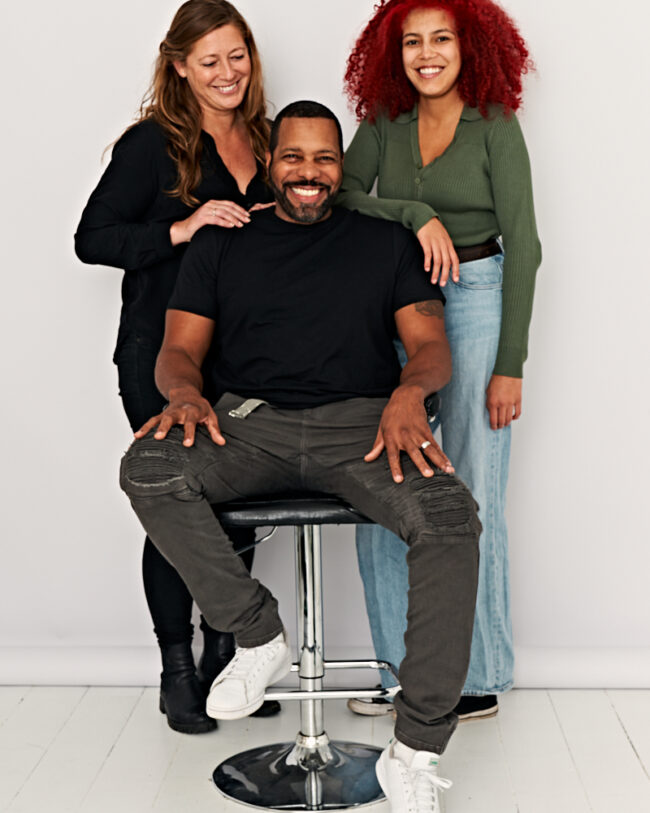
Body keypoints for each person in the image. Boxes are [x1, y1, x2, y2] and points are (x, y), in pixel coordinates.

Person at [119, 100, 481, 812]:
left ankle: (414, 749)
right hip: (248, 425)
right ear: (270, 162)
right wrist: (185, 395)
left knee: (450, 517)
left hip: (366, 428)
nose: (307, 172)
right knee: (149, 467)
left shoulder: (384, 242)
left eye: (323, 158)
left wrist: (410, 392)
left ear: (340, 167)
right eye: (293, 157)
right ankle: (258, 635)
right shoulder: (223, 243)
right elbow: (179, 349)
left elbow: (431, 346)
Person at [74, 0, 279, 734]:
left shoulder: (266, 139)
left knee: (235, 504)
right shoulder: (150, 144)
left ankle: (229, 660)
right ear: (180, 66)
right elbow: (91, 238)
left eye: (237, 55)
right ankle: (177, 670)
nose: (227, 72)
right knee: (178, 503)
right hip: (158, 356)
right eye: (209, 59)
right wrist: (183, 227)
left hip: (243, 361)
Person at [338, 0, 542, 720]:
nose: (427, 54)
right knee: (383, 480)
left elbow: (526, 245)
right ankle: (399, 673)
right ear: (392, 53)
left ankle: (478, 675)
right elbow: (341, 195)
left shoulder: (495, 125)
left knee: (473, 490)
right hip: (398, 303)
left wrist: (510, 362)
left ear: (470, 46)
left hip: (479, 298)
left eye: (442, 39)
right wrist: (412, 213)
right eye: (412, 42)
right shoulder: (383, 122)